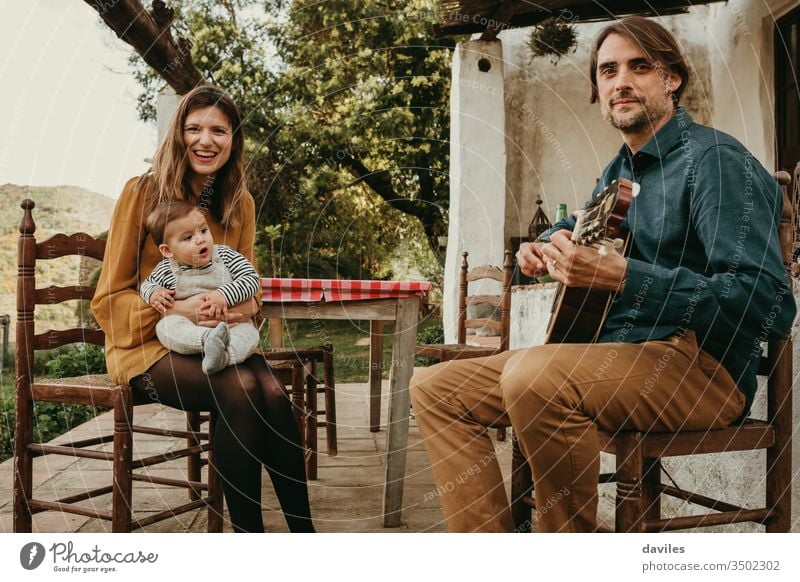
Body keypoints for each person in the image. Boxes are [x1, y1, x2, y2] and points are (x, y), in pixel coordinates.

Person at [410, 16, 796, 533]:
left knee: (535, 377)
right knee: (435, 387)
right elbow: (581, 224)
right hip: (616, 354)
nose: (622, 82)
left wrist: (626, 278)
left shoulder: (716, 163)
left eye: (640, 67)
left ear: (672, 79)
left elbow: (770, 303)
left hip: (701, 368)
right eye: (608, 70)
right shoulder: (623, 169)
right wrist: (546, 245)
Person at [91, 84, 314, 533]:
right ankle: (249, 540)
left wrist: (234, 306)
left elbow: (251, 294)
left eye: (218, 130)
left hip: (223, 339)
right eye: (193, 129)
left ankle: (304, 538)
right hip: (147, 347)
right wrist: (184, 311)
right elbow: (109, 297)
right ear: (179, 135)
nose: (205, 140)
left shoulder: (240, 204)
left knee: (274, 395)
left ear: (234, 140)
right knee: (243, 391)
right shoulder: (143, 193)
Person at [141, 200, 261, 375]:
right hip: (191, 327)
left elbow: (252, 279)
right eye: (188, 237)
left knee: (249, 334)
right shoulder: (167, 269)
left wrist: (224, 294)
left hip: (232, 327)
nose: (200, 239)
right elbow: (146, 285)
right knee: (166, 326)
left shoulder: (226, 256)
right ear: (168, 251)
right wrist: (154, 293)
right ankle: (207, 340)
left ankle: (224, 357)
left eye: (203, 230)